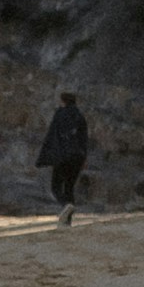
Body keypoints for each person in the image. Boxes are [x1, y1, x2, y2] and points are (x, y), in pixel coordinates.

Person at [40, 90, 92, 225]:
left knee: (56, 186)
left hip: (62, 156)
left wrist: (47, 157)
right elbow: (84, 139)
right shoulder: (79, 116)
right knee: (69, 187)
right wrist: (83, 157)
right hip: (77, 157)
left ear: (63, 101)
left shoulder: (60, 115)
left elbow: (53, 137)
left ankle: (65, 205)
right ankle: (67, 221)